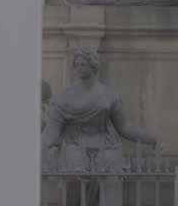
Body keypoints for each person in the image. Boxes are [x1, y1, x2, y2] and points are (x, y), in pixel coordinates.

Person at [43, 48, 160, 203]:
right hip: (75, 145)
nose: (78, 68)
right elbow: (51, 132)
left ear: (93, 66)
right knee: (74, 187)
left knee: (110, 189)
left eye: (83, 64)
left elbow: (125, 127)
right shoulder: (64, 96)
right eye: (76, 64)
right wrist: (36, 149)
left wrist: (152, 139)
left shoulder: (110, 94)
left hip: (106, 147)